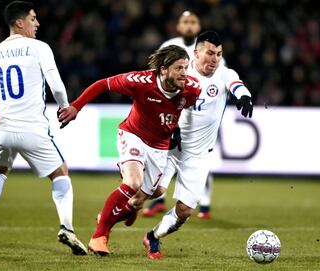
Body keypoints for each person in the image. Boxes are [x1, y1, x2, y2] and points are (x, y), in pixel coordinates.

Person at [57, 45, 201, 256]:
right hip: (133, 134)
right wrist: (76, 106)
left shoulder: (192, 88)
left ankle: (112, 214)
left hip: (159, 147)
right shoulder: (140, 82)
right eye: (179, 68)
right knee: (133, 183)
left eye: (186, 68)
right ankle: (99, 236)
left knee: (152, 194)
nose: (184, 74)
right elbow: (103, 84)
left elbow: (181, 110)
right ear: (163, 69)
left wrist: (176, 129)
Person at [142, 31, 253, 259]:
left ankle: (153, 237)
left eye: (219, 54)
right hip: (172, 147)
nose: (214, 59)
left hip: (200, 156)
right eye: (210, 53)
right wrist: (171, 129)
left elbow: (236, 84)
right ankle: (110, 218)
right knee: (155, 191)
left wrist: (244, 96)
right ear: (196, 53)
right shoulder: (182, 73)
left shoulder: (224, 74)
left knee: (184, 211)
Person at [0, 1, 87, 255]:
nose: (37, 24)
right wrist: (66, 105)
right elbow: (55, 83)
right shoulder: (38, 47)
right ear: (20, 22)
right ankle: (67, 228)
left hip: (1, 129)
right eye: (33, 19)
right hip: (32, 128)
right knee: (60, 173)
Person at [142, 10, 214, 220]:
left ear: (198, 26)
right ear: (179, 26)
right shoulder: (170, 45)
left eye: (193, 21)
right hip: (175, 109)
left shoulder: (207, 48)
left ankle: (205, 205)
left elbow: (218, 77)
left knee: (202, 158)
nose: (189, 25)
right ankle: (158, 201)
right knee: (164, 157)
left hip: (201, 112)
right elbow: (158, 76)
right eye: (185, 22)